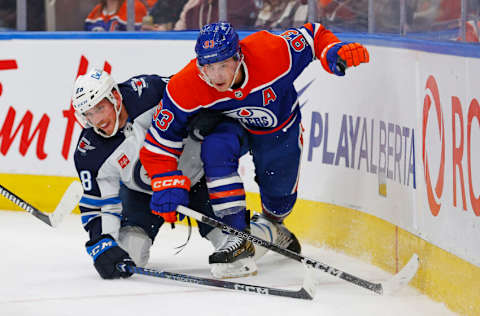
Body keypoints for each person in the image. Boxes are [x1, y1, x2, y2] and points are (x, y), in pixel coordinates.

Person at [139, 21, 369, 279]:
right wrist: (163, 179)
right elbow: (159, 140)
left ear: (239, 57)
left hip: (277, 129)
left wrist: (332, 50)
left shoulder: (270, 51)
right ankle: (237, 237)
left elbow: (313, 35)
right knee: (215, 148)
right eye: (208, 67)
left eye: (223, 65)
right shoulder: (187, 84)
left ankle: (274, 226)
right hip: (231, 126)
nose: (216, 77)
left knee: (280, 202)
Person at [72, 68, 227, 279]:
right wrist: (103, 244)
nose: (96, 120)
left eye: (99, 108)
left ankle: (268, 230)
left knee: (236, 248)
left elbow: (193, 87)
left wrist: (206, 114)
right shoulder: (89, 152)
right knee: (129, 255)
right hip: (143, 196)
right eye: (88, 114)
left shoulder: (149, 92)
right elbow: (98, 204)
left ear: (115, 97)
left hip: (199, 178)